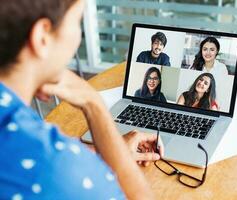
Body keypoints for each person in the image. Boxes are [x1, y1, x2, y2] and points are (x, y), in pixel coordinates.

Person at [0, 0, 162, 199]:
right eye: (77, 21)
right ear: (42, 38)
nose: (78, 38)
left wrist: (100, 151)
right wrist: (94, 104)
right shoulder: (55, 166)